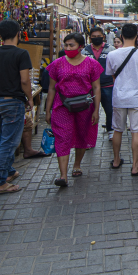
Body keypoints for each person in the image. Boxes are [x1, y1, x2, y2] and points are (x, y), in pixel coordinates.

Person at [44, 33, 103, 187]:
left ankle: (77, 164)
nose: (68, 48)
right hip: (62, 105)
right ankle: (63, 175)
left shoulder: (92, 64)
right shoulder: (57, 64)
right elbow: (51, 88)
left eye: (72, 45)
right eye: (66, 45)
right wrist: (47, 110)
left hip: (85, 106)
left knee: (82, 135)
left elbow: (96, 87)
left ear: (81, 47)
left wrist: (97, 110)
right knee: (62, 137)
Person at [0, 20, 35, 195]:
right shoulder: (21, 53)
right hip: (12, 102)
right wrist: (30, 98)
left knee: (3, 139)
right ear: (18, 34)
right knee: (8, 143)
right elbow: (24, 80)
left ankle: (9, 171)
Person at [105, 24, 138, 175]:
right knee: (136, 132)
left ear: (121, 36)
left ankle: (116, 160)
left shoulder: (112, 55)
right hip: (136, 97)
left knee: (117, 130)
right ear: (136, 37)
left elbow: (112, 75)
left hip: (119, 96)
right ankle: (134, 166)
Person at [84, 27, 116, 141]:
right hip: (89, 87)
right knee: (88, 112)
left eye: (99, 36)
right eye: (94, 37)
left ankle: (111, 130)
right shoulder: (85, 51)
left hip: (107, 85)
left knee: (110, 109)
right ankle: (87, 135)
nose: (96, 38)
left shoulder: (111, 49)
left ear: (103, 37)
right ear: (90, 37)